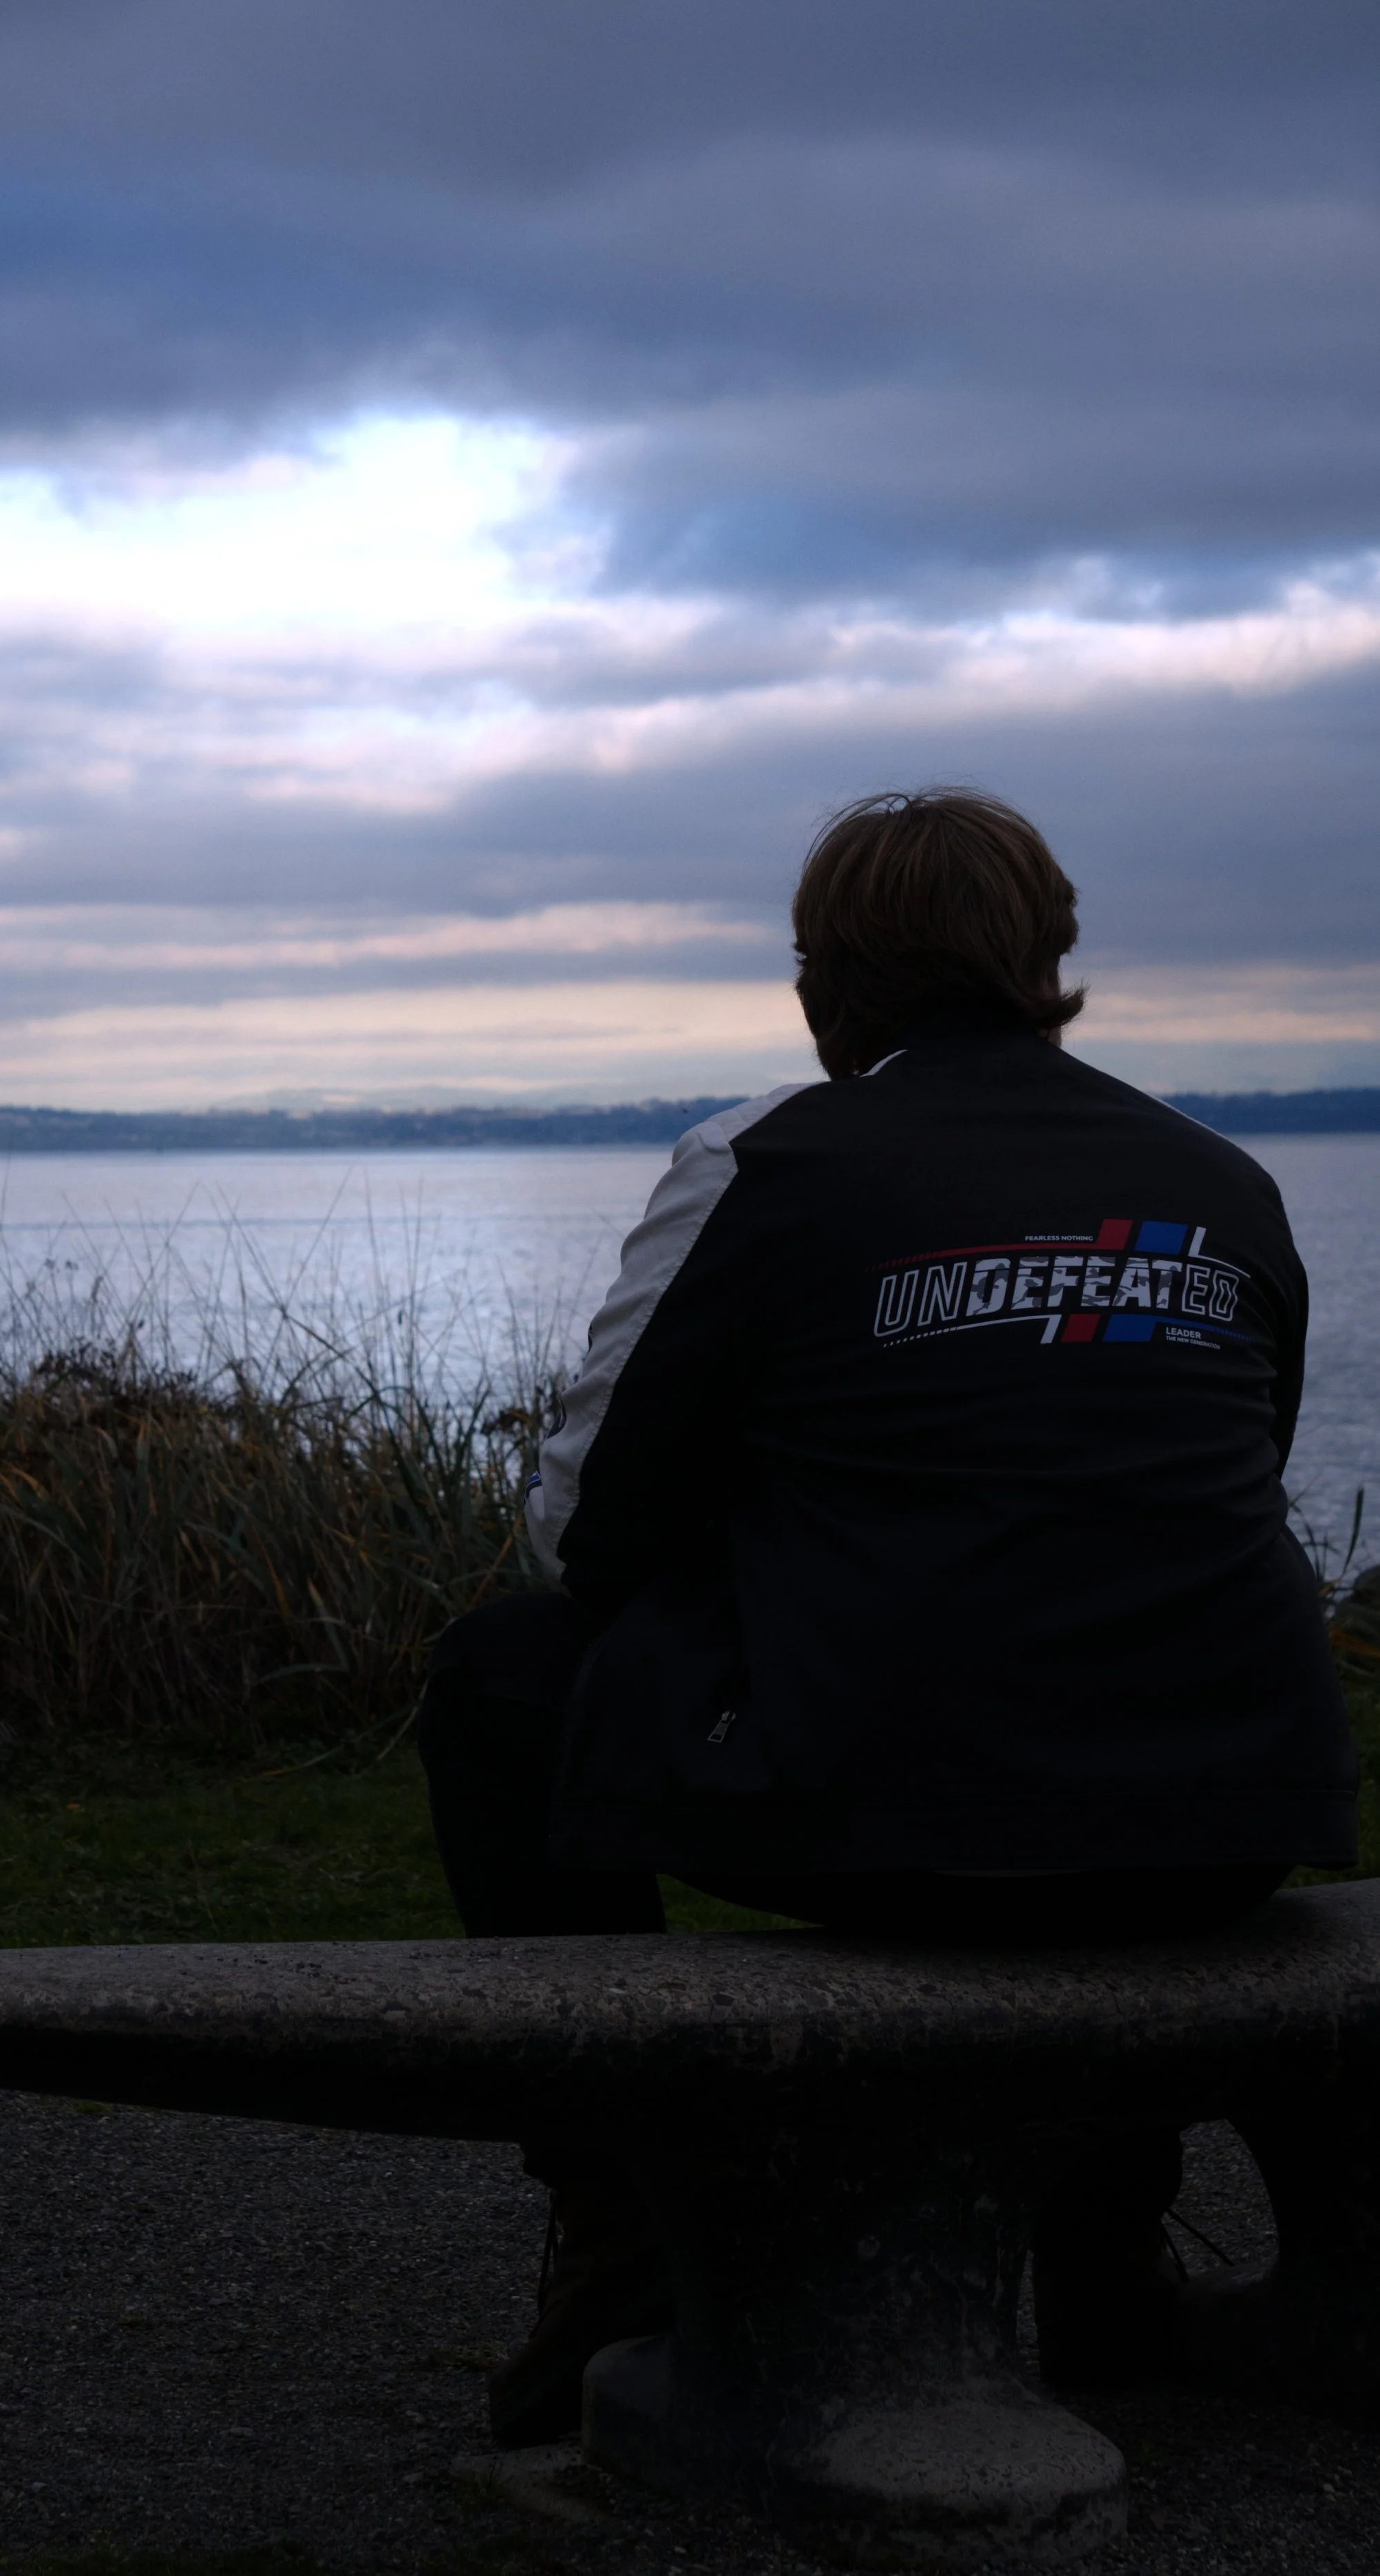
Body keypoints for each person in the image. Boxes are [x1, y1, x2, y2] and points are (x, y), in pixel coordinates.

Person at [418, 789, 1357, 2444]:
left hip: (898, 1820)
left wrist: (797, 1561)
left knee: (502, 1675)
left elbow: (586, 1535)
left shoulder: (763, 1161)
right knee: (1078, 1675)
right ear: (1046, 954)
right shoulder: (1223, 1180)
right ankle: (1101, 2242)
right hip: (1230, 1813)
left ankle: (620, 2221)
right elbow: (1215, 1492)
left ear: (818, 980)